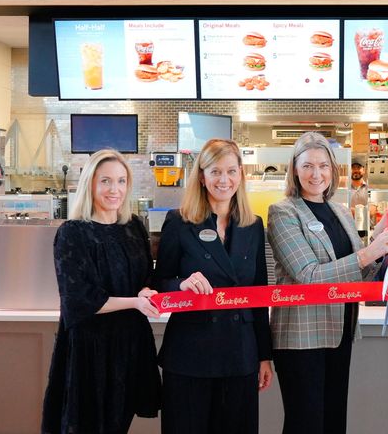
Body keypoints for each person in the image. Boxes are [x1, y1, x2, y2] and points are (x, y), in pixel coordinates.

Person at [267, 131, 388, 434]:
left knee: (333, 420)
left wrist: (379, 242)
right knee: (306, 423)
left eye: (324, 166)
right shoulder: (283, 212)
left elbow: (357, 274)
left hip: (340, 330)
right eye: (308, 166)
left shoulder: (340, 211)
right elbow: (308, 276)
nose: (317, 174)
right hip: (302, 337)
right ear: (294, 170)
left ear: (333, 170)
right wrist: (369, 252)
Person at [154, 138, 273, 434]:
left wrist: (264, 356)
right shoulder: (179, 222)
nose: (224, 180)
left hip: (240, 354)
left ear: (241, 175)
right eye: (216, 171)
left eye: (231, 171)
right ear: (202, 176)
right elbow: (157, 284)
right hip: (190, 355)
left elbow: (258, 294)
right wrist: (182, 284)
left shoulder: (253, 225)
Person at [42, 149, 161, 434]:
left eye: (121, 181)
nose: (114, 189)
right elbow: (78, 299)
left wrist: (147, 290)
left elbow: (147, 278)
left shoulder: (133, 228)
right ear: (90, 184)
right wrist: (135, 301)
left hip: (131, 345)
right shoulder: (73, 232)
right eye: (105, 181)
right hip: (91, 350)